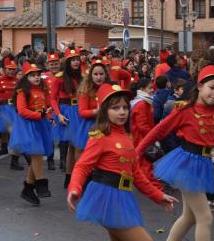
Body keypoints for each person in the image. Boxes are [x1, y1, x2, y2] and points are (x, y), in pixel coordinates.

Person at [135, 64, 214, 241]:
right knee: (205, 217)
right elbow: (159, 130)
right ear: (200, 86)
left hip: (202, 163)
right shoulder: (185, 110)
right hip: (186, 163)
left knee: (190, 217)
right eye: (211, 87)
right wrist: (138, 152)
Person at [67, 83, 178, 241]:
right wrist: (75, 188)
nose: (122, 112)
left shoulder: (127, 136)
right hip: (106, 199)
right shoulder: (100, 137)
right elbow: (82, 166)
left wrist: (158, 195)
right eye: (115, 108)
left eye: (125, 107)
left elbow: (136, 174)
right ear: (104, 110)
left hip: (123, 197)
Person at [10, 62, 54, 206]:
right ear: (26, 77)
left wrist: (49, 117)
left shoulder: (42, 89)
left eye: (37, 75)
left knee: (37, 155)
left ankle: (28, 188)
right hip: (27, 126)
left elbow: (47, 107)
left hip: (40, 125)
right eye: (32, 75)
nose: (36, 77)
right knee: (37, 154)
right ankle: (41, 183)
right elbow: (22, 111)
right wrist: (38, 115)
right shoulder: (22, 91)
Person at [50, 48, 82, 188]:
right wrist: (58, 114)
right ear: (68, 62)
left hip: (79, 111)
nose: (76, 62)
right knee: (75, 146)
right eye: (73, 60)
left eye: (77, 59)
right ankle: (76, 179)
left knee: (74, 148)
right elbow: (52, 98)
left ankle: (70, 178)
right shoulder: (59, 77)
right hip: (66, 113)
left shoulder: (81, 77)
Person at [130, 78, 162, 191]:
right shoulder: (142, 104)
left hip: (142, 137)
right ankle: (153, 187)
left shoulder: (144, 102)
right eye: (149, 88)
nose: (152, 90)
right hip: (142, 138)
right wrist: (152, 136)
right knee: (146, 163)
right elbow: (142, 125)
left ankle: (149, 185)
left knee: (144, 162)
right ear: (142, 89)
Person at [0, 56, 23, 170]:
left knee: (14, 132)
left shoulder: (18, 81)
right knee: (5, 130)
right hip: (2, 108)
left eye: (13, 69)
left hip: (14, 108)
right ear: (4, 69)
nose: (11, 71)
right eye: (8, 69)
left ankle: (14, 158)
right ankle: (5, 148)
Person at [74, 59, 110, 153]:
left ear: (106, 75)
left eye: (101, 74)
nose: (99, 77)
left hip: (107, 126)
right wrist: (96, 111)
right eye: (96, 74)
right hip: (90, 127)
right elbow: (82, 112)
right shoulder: (85, 90)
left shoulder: (110, 88)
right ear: (91, 75)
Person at [42, 52, 63, 170]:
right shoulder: (43, 77)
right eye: (51, 64)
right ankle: (50, 160)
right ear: (47, 65)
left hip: (61, 109)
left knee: (62, 136)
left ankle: (62, 160)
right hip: (48, 110)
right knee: (49, 136)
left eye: (55, 63)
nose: (54, 65)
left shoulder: (64, 76)